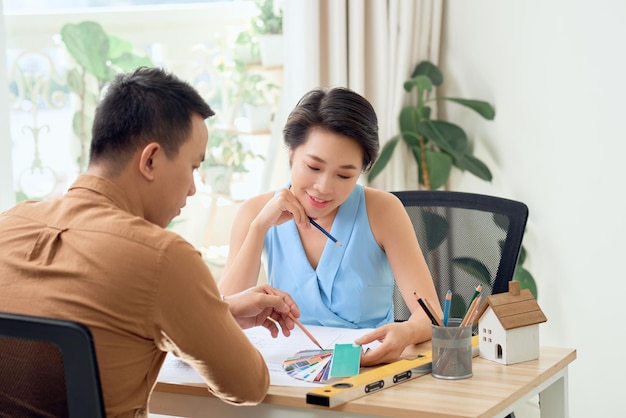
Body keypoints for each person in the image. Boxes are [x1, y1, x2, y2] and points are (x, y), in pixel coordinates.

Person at [0, 67, 301, 418]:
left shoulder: (10, 223)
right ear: (151, 160)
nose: (192, 188)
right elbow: (247, 385)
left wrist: (217, 312)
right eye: (192, 167)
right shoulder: (161, 256)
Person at [218, 87, 442, 367]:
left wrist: (405, 332)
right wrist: (259, 227)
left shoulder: (384, 211)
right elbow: (220, 319)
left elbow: (430, 312)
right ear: (291, 153)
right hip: (287, 371)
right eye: (313, 167)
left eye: (344, 175)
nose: (324, 187)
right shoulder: (255, 212)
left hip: (366, 369)